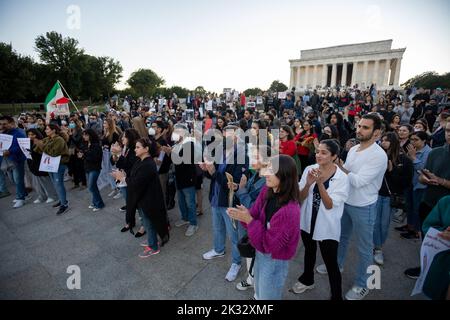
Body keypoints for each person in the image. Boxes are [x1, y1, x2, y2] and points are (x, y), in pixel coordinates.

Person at [317, 114, 387, 300]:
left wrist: (338, 167)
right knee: (340, 237)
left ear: (376, 132)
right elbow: (345, 173)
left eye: (365, 127)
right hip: (346, 202)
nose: (359, 130)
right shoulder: (355, 148)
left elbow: (356, 181)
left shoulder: (379, 155)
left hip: (365, 206)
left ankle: (364, 284)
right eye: (359, 126)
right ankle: (336, 264)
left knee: (365, 248)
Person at [227, 155, 301, 300]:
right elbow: (254, 214)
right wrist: (245, 215)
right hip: (260, 251)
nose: (265, 173)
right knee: (260, 292)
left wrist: (248, 219)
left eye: (271, 170)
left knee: (268, 296)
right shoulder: (267, 191)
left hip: (275, 259)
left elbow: (270, 245)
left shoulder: (290, 210)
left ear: (284, 175)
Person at [293, 139, 349, 300]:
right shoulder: (310, 169)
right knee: (309, 252)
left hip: (327, 226)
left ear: (334, 156)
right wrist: (308, 184)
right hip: (307, 221)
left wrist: (319, 184)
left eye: (324, 152)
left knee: (330, 262)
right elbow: (300, 198)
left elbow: (330, 204)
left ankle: (336, 295)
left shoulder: (342, 178)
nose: (318, 155)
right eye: (317, 151)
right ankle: (307, 279)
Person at [200, 125, 247, 282]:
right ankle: (219, 249)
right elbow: (212, 177)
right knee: (217, 227)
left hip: (229, 201)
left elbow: (231, 184)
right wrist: (206, 169)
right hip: (215, 198)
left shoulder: (241, 156)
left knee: (233, 234)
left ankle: (236, 262)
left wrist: (213, 171)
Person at [404, 119, 450, 279]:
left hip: (447, 210)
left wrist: (442, 181)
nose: (449, 135)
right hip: (429, 202)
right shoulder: (436, 152)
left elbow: (439, 179)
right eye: (448, 130)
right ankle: (425, 268)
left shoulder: (430, 151)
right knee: (428, 239)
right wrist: (427, 179)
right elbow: (422, 177)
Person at [112, 138, 169, 258]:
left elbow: (137, 182)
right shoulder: (141, 160)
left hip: (149, 200)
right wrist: (123, 175)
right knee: (147, 222)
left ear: (146, 149)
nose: (135, 149)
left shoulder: (148, 164)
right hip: (143, 199)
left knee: (148, 223)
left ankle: (153, 247)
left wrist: (122, 178)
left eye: (138, 147)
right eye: (135, 147)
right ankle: (151, 240)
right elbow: (132, 173)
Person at [228, 145, 268, 293]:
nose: (252, 159)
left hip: (255, 223)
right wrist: (238, 187)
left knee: (256, 256)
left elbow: (254, 207)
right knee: (250, 254)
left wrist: (242, 190)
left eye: (256, 157)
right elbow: (248, 193)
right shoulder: (257, 173)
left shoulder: (268, 182)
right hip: (248, 222)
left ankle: (257, 286)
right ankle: (251, 278)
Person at [373, 132, 413, 265]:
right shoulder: (378, 156)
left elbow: (406, 182)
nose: (383, 142)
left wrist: (392, 172)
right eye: (382, 140)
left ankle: (378, 247)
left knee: (384, 225)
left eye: (387, 140)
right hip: (376, 194)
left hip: (390, 197)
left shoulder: (404, 160)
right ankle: (377, 248)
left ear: (394, 142)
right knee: (374, 223)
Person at [397, 131, 432, 240]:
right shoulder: (411, 150)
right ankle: (409, 226)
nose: (412, 142)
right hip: (410, 183)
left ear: (424, 141)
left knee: (417, 208)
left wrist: (413, 158)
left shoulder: (429, 152)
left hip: (420, 186)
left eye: (416, 140)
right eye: (411, 139)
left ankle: (416, 231)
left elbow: (424, 170)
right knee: (409, 206)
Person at [35, 124, 70, 215]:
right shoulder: (48, 139)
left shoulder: (59, 140)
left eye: (47, 129)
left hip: (59, 165)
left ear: (54, 130)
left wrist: (42, 146)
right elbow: (38, 150)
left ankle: (64, 204)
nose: (45, 131)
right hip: (50, 164)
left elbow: (54, 153)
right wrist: (38, 145)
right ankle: (62, 200)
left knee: (59, 184)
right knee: (55, 183)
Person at [0, 116, 28, 208]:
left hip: (17, 160)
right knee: (13, 179)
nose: (2, 126)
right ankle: (24, 194)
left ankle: (21, 198)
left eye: (4, 124)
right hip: (8, 160)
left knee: (18, 179)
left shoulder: (19, 132)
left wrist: (10, 151)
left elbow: (22, 146)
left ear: (11, 123)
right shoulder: (4, 133)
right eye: (1, 124)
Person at [26, 128, 57, 204]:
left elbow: (44, 152)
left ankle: (52, 196)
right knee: (37, 183)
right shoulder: (28, 142)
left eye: (32, 134)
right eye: (29, 134)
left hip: (41, 164)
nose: (30, 136)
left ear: (37, 134)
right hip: (33, 165)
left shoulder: (41, 141)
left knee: (46, 181)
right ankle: (42, 196)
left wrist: (38, 145)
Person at [80, 129, 105, 212]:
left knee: (91, 186)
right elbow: (84, 152)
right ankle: (95, 202)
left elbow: (95, 158)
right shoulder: (86, 144)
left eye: (85, 135)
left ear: (90, 135)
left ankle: (99, 204)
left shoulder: (96, 145)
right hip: (87, 167)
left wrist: (84, 155)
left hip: (95, 168)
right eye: (83, 135)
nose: (84, 137)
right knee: (93, 186)